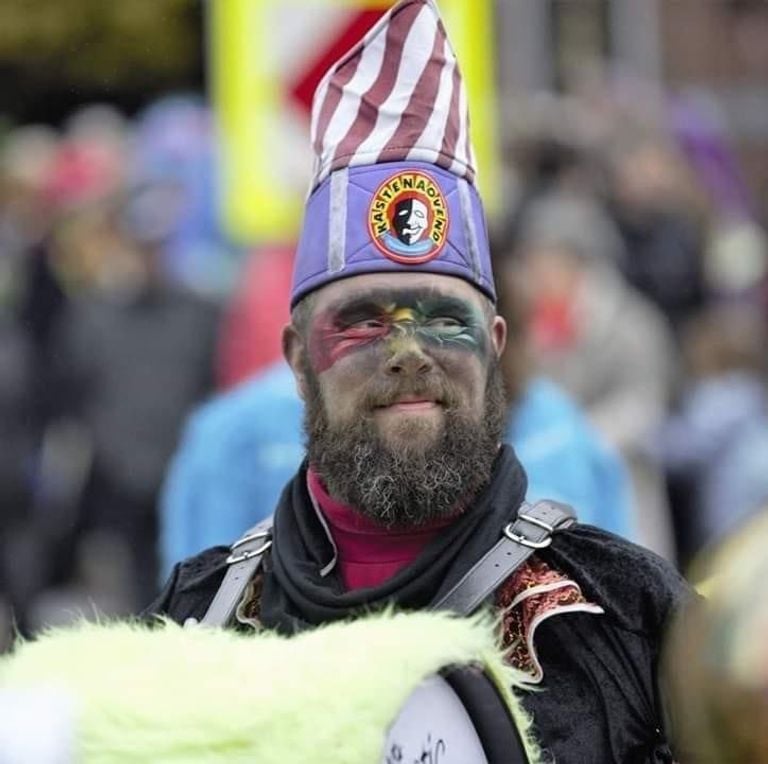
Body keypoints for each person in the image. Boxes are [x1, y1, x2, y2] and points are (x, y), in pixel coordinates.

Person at [147, 1, 691, 760]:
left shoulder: (628, 616)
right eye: (364, 321)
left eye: (444, 319)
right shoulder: (198, 618)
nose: (407, 351)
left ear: (496, 347)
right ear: (298, 356)